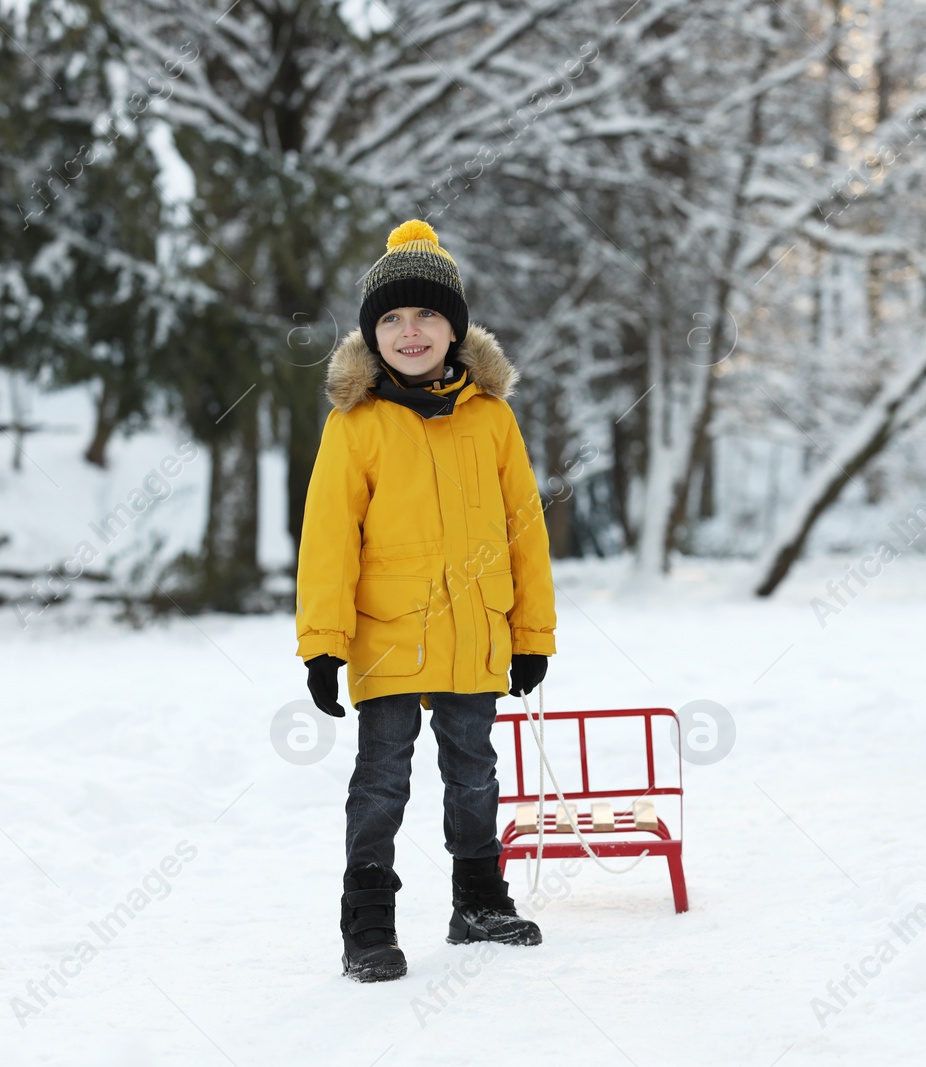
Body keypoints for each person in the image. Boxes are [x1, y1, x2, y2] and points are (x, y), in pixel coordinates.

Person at [294, 219, 557, 982]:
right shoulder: (356, 426)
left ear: (455, 328)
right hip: (388, 636)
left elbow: (524, 531)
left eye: (427, 316)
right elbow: (329, 539)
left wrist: (531, 632)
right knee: (382, 778)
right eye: (392, 320)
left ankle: (478, 899)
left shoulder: (492, 419)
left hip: (477, 632)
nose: (410, 332)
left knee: (474, 770)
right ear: (374, 335)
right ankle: (368, 922)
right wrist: (322, 642)